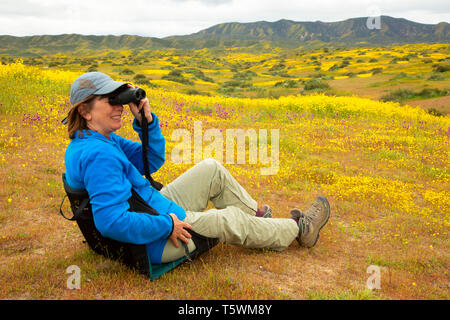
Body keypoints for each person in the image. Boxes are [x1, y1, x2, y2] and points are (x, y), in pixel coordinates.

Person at [64, 72, 331, 266]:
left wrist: (146, 121)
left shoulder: (99, 141)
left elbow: (151, 162)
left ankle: (259, 222)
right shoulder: (98, 154)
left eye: (118, 99)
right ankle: (299, 229)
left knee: (210, 169)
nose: (119, 106)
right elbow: (111, 222)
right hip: (150, 241)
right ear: (86, 111)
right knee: (227, 219)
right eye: (111, 100)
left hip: (151, 205)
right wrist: (167, 225)